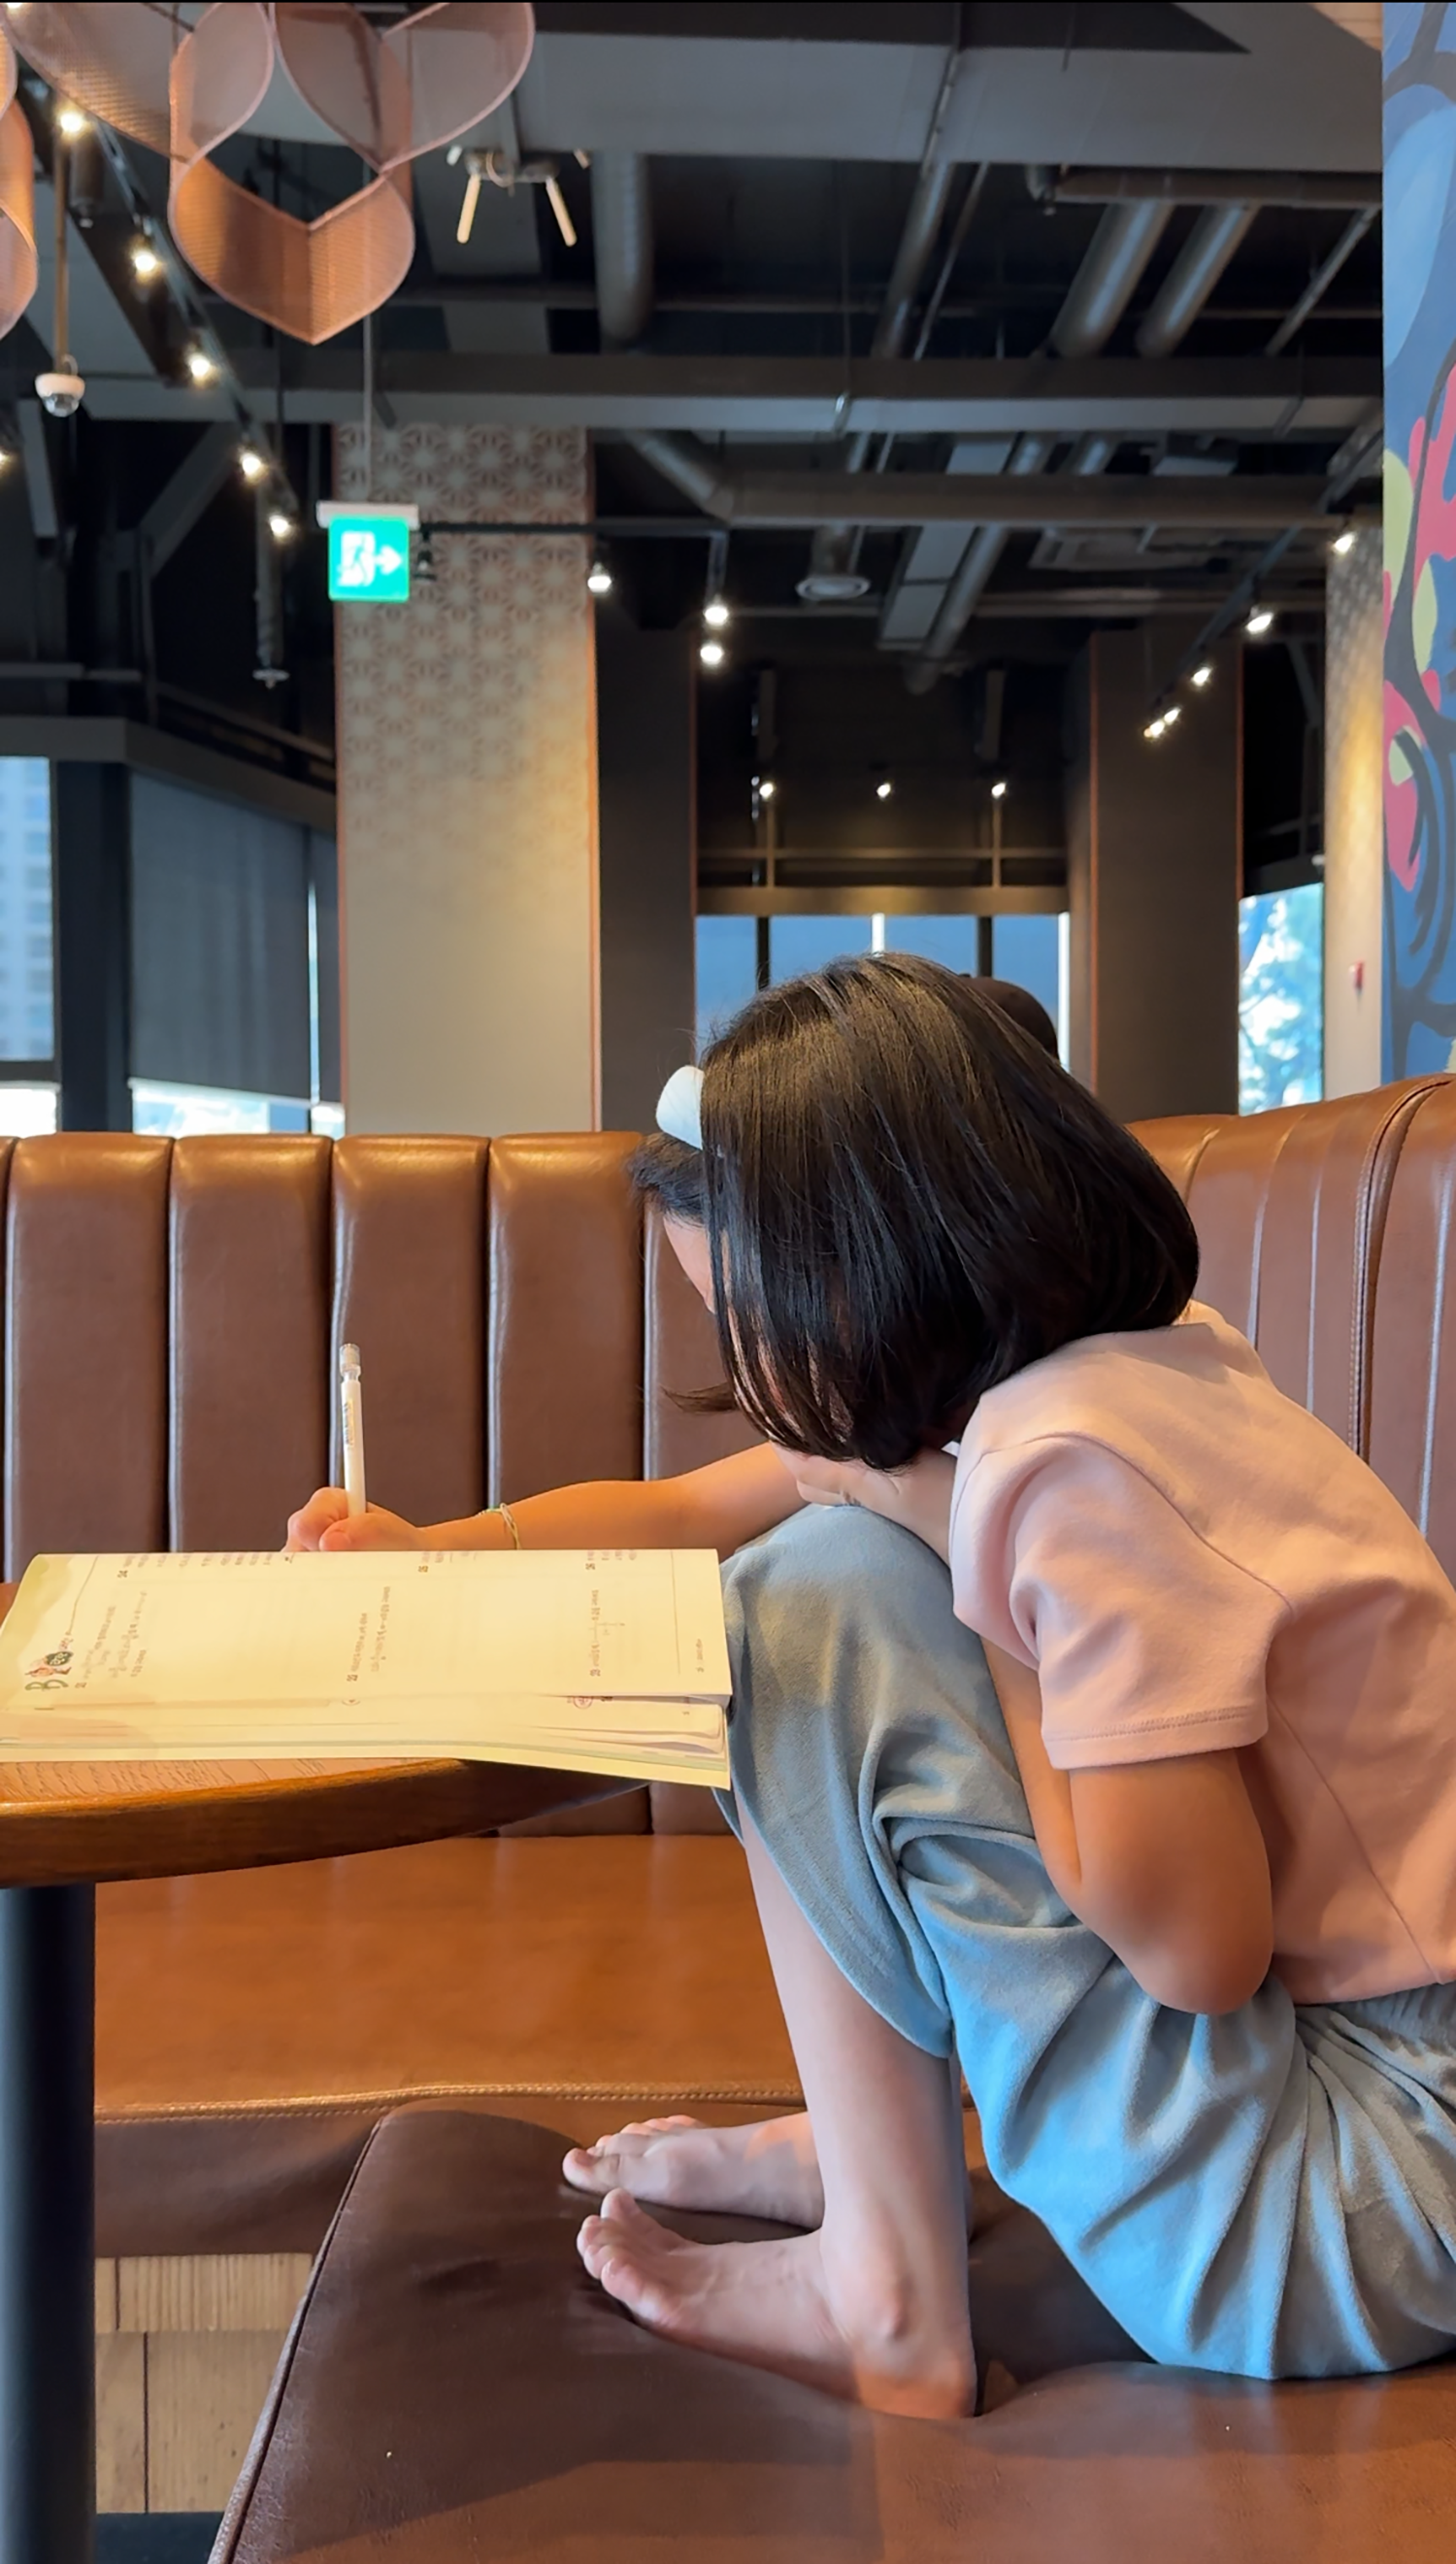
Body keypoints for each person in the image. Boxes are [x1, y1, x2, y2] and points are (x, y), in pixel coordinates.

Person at [288, 956, 1456, 2423]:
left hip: (1347, 2204)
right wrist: (430, 1554)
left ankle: (882, 2297)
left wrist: (964, 1559)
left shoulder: (1063, 1473)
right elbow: (689, 1508)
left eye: (745, 1325)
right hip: (1384, 2114)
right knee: (818, 1560)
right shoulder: (1125, 1369)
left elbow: (1196, 1952)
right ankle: (871, 2152)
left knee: (797, 1610)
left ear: (861, 1282)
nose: (751, 1381)